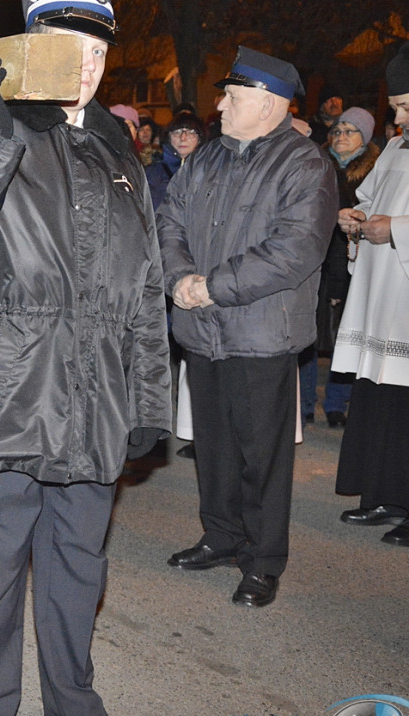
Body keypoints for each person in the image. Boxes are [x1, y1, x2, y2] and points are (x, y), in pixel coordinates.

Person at [0, 2, 172, 716]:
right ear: (32, 50)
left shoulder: (118, 145)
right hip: (2, 394)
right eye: (66, 48)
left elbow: (146, 286)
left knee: (78, 569)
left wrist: (150, 400)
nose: (83, 65)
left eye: (95, 51)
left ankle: (74, 704)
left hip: (96, 404)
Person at [158, 46, 338, 607]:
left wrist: (211, 285)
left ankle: (261, 559)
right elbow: (169, 220)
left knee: (262, 453)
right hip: (201, 329)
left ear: (267, 103)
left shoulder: (306, 164)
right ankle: (220, 536)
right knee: (212, 445)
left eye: (231, 96)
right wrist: (180, 276)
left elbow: (294, 250)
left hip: (260, 334)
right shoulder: (207, 158)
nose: (219, 104)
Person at [332, 43, 409, 547]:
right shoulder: (400, 148)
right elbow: (370, 197)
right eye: (396, 107)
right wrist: (356, 220)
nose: (398, 118)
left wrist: (397, 230)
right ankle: (385, 494)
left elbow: (396, 218)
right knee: (384, 394)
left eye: (405, 106)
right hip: (385, 291)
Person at [299, 107, 379, 429]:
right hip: (313, 261)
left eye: (350, 131)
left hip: (356, 263)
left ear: (365, 137)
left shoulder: (375, 172)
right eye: (338, 130)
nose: (341, 136)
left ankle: (335, 403)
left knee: (345, 336)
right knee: (309, 335)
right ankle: (304, 403)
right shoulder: (316, 164)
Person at [144, 112, 206, 210]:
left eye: (191, 132)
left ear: (199, 139)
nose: (183, 138)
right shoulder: (151, 172)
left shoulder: (209, 170)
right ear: (168, 137)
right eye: (177, 132)